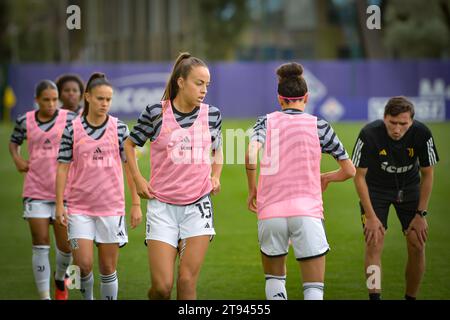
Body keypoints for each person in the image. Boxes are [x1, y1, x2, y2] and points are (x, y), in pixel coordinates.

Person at [245, 62, 356, 300]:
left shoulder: (265, 121)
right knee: (313, 288)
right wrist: (327, 178)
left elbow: (250, 153)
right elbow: (349, 171)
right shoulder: (320, 126)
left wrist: (253, 188)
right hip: (307, 212)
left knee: (275, 282)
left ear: (280, 99)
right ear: (306, 97)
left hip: (270, 212)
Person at [124, 52, 223, 300]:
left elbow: (217, 149)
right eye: (198, 83)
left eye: (207, 85)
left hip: (198, 206)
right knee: (162, 288)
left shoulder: (212, 115)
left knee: (187, 282)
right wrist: (138, 180)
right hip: (162, 207)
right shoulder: (156, 113)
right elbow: (128, 145)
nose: (204, 90)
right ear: (181, 81)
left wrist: (216, 175)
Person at [55, 72, 142, 300]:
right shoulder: (72, 129)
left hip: (111, 208)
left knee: (107, 268)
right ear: (88, 97)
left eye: (108, 99)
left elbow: (131, 169)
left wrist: (135, 203)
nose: (104, 104)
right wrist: (59, 205)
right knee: (83, 264)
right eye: (100, 98)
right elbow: (62, 167)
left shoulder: (120, 129)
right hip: (78, 208)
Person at [352, 96, 439, 300]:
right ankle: (375, 298)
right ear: (384, 118)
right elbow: (359, 178)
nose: (397, 129)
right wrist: (371, 217)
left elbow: (428, 175)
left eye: (403, 124)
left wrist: (421, 214)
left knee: (417, 242)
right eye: (392, 123)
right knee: (374, 241)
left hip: (409, 188)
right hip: (375, 189)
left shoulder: (422, 134)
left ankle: (411, 298)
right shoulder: (369, 134)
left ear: (411, 121)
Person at [8, 80, 77, 300]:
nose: (51, 104)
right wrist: (17, 158)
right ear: (37, 100)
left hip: (65, 193)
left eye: (54, 99)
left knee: (66, 248)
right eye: (46, 100)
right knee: (40, 245)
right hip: (35, 190)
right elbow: (13, 142)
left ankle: (60, 278)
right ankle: (45, 297)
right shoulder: (24, 121)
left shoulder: (70, 118)